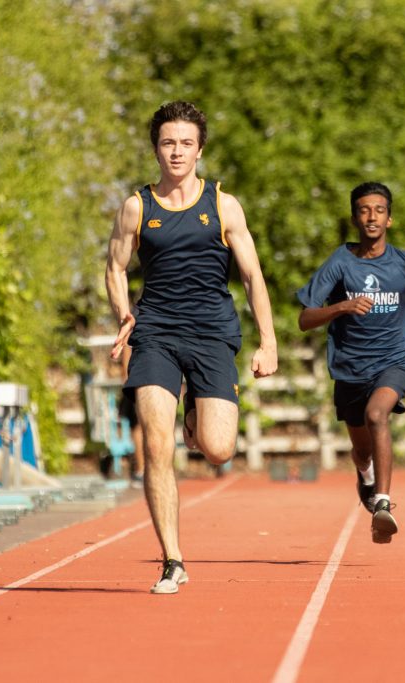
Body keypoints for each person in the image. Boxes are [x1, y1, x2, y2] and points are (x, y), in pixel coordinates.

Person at [105, 101, 278, 594]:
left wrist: (269, 342)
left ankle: (195, 421)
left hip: (211, 334)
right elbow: (115, 266)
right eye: (167, 142)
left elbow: (251, 275)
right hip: (155, 332)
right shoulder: (138, 207)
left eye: (185, 143)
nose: (176, 151)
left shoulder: (224, 206)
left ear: (200, 149)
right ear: (155, 148)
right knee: (157, 448)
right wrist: (124, 314)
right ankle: (173, 560)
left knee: (219, 450)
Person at [297, 181, 405, 544]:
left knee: (377, 414)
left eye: (379, 210)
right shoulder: (340, 263)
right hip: (350, 367)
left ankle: (383, 502)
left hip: (394, 360)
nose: (372, 217)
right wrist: (341, 306)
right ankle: (366, 474)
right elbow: (305, 318)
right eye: (364, 210)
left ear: (389, 219)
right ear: (355, 217)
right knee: (360, 447)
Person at [118, 344, 144, 488]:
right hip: (141, 379)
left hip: (140, 378)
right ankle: (142, 469)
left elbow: (127, 349)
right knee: (139, 427)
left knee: (139, 427)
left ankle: (142, 470)